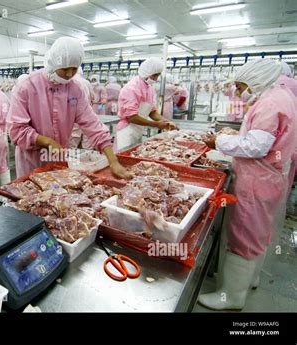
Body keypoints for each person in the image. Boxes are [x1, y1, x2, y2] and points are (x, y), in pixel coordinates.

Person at [198, 58, 297, 310]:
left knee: (243, 235)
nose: (240, 93)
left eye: (241, 87)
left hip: (256, 181)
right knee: (257, 234)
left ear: (254, 81)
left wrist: (218, 142)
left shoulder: (270, 103)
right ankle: (249, 280)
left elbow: (256, 145)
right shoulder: (282, 96)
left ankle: (231, 297)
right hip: (269, 178)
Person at [7, 37, 130, 179]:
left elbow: (93, 125)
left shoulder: (74, 90)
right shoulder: (28, 86)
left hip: (58, 159)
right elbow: (16, 129)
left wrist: (113, 161)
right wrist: (46, 141)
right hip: (31, 161)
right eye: (65, 68)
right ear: (53, 63)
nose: (69, 74)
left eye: (74, 69)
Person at [115, 57, 178, 152]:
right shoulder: (131, 88)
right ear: (146, 72)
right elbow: (131, 117)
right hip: (127, 131)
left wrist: (166, 122)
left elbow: (152, 111)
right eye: (154, 75)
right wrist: (156, 124)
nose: (156, 79)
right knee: (123, 156)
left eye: (158, 75)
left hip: (138, 129)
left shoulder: (149, 88)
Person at [277, 62, 297, 197]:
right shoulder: (294, 83)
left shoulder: (273, 84)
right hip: (291, 129)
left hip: (277, 128)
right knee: (287, 162)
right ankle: (285, 191)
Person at [68, 66, 95, 149]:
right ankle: (87, 160)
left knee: (72, 145)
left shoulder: (69, 82)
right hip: (87, 116)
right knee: (87, 144)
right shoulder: (87, 82)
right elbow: (93, 98)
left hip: (72, 119)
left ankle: (71, 160)